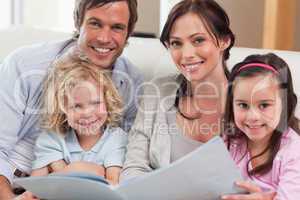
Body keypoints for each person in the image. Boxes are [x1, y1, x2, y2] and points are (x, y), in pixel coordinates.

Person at [0, 0, 142, 199]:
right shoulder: (24, 65)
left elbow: (128, 157)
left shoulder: (131, 82)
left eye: (117, 27)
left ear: (129, 31)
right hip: (11, 183)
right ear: (78, 22)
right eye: (95, 23)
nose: (104, 38)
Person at [121, 0, 233, 180]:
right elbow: (134, 167)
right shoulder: (156, 92)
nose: (186, 54)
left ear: (224, 41)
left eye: (198, 40)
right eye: (176, 43)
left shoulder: (251, 99)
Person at [30, 54, 127, 186]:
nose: (87, 113)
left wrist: (60, 170)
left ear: (107, 101)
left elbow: (114, 185)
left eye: (96, 103)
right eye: (76, 106)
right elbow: (36, 188)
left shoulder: (116, 139)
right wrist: (81, 169)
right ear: (62, 109)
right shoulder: (51, 139)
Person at [221, 53, 300, 200]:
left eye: (264, 105)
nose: (253, 117)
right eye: (243, 105)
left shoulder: (294, 153)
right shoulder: (229, 141)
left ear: (285, 103)